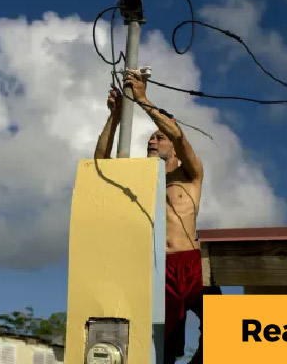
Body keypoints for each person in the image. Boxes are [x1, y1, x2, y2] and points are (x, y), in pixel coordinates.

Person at [93, 71, 219, 364]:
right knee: (164, 344)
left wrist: (142, 100)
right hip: (159, 268)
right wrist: (114, 117)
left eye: (159, 137)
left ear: (174, 149)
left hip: (192, 263)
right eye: (150, 137)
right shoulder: (141, 180)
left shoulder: (190, 174)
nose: (153, 139)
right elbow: (99, 164)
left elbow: (177, 133)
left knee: (222, 327)